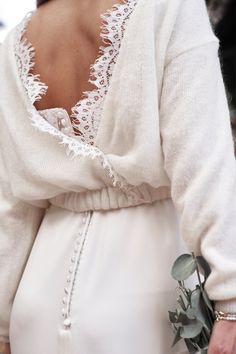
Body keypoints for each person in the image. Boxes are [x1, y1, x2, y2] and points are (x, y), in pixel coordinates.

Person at [0, 0, 236, 353]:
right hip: (145, 297)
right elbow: (202, 166)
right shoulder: (169, 7)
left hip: (35, 303)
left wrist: (3, 328)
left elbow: (12, 206)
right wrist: (230, 300)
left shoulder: (15, 42)